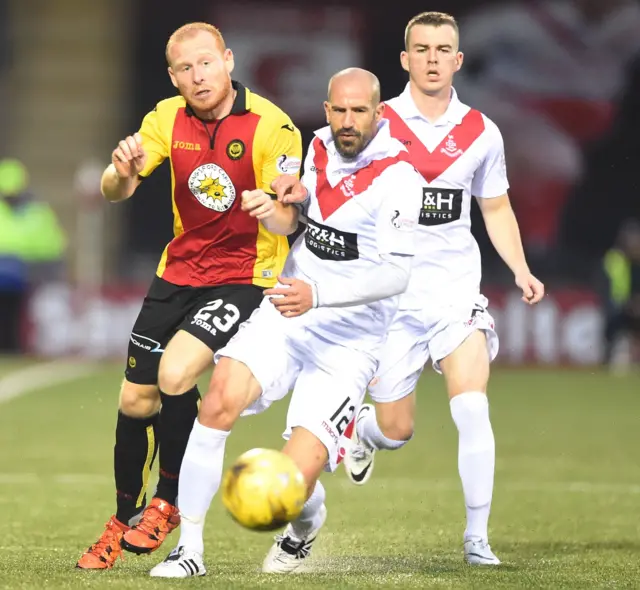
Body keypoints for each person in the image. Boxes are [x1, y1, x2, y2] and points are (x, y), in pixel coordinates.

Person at [147, 67, 425, 578]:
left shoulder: (401, 177)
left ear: (379, 114)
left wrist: (318, 293)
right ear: (326, 111)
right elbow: (292, 223)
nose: (347, 121)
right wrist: (271, 208)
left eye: (359, 111)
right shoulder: (314, 150)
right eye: (338, 110)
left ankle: (304, 526)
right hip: (286, 311)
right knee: (217, 401)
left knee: (290, 490)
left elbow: (396, 274)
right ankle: (189, 551)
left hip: (350, 338)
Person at [76, 22, 302, 570]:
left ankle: (168, 503)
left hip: (244, 275)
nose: (198, 76)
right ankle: (122, 518)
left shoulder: (273, 125)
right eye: (185, 68)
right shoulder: (165, 118)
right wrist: (121, 170)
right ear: (173, 76)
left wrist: (269, 208)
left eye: (206, 62)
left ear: (227, 59)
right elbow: (116, 189)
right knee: (135, 399)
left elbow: (291, 216)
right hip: (178, 271)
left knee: (176, 375)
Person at [343, 12, 545, 565]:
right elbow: (335, 193)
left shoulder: (482, 131)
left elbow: (495, 206)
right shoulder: (373, 123)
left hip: (455, 293)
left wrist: (521, 269)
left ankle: (477, 538)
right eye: (422, 49)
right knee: (396, 428)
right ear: (405, 60)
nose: (433, 58)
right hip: (389, 300)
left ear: (458, 60)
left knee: (472, 408)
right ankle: (362, 429)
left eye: (444, 49)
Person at [0, 158, 66, 352]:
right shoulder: (37, 212)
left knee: (17, 316)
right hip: (18, 272)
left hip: (27, 274)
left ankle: (13, 347)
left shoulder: (37, 212)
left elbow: (52, 244)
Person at [601, 219, 640, 370]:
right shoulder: (615, 260)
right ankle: (616, 356)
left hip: (629, 307)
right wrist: (629, 304)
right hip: (618, 308)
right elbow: (609, 290)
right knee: (615, 325)